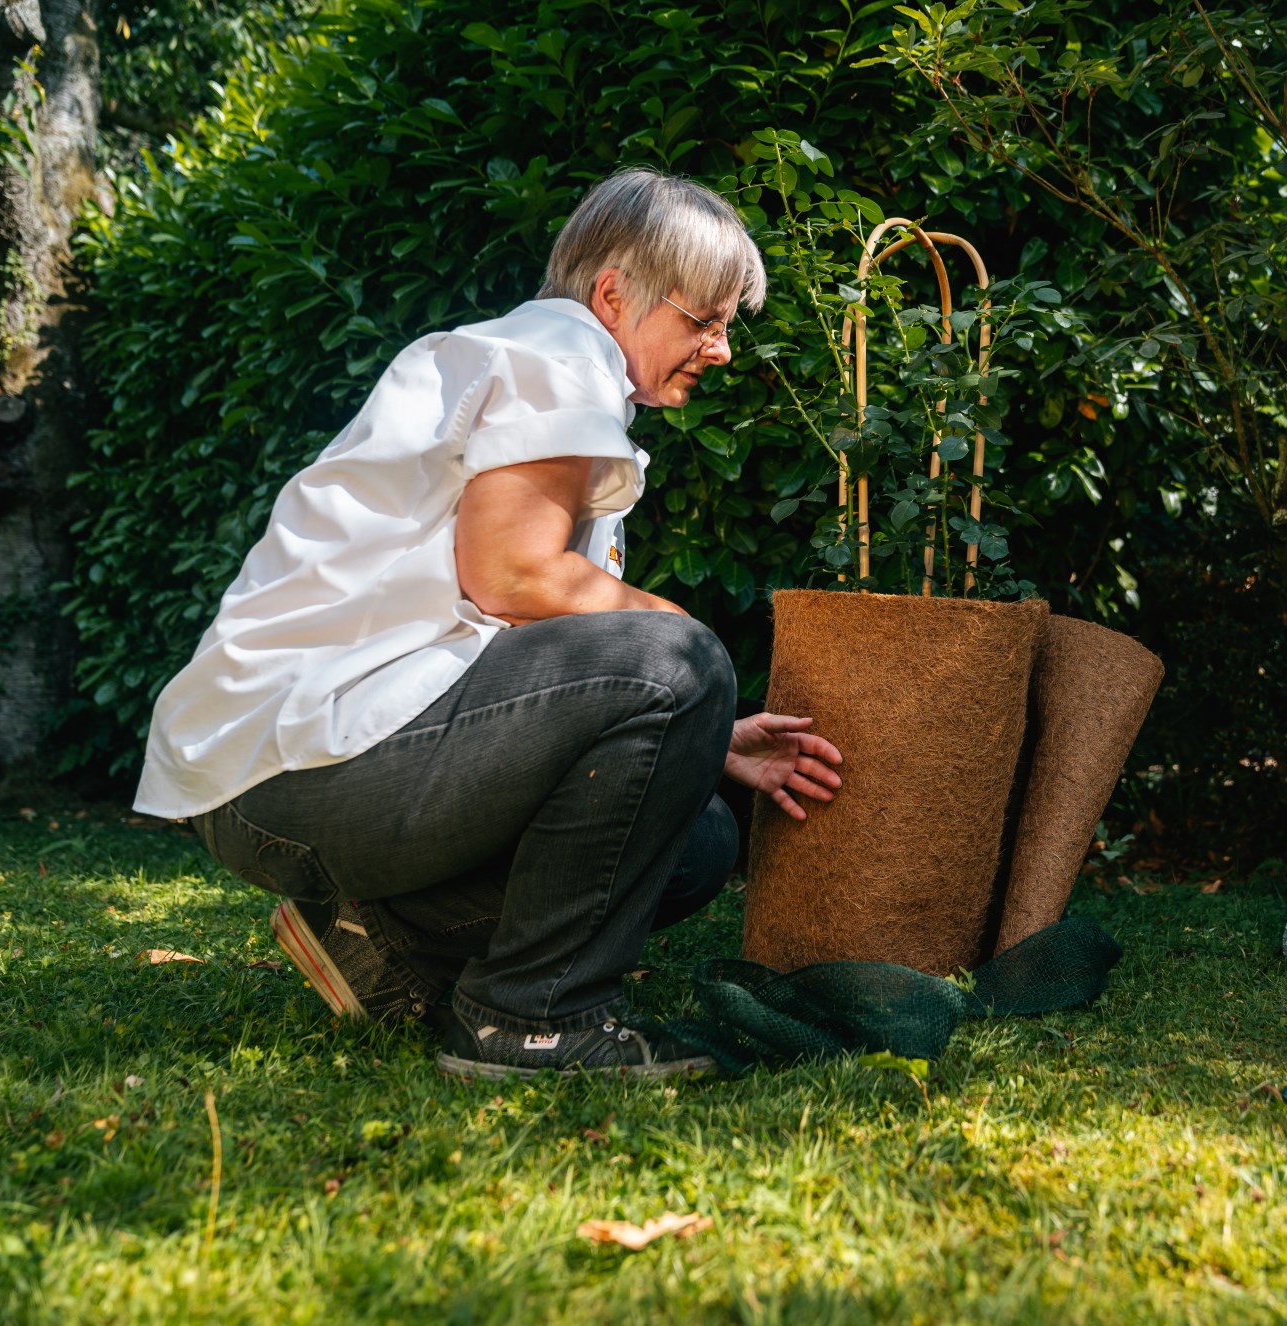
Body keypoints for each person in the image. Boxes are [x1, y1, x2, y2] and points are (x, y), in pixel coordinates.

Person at [134, 169, 843, 1081]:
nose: (720, 349)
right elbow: (512, 576)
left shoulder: (551, 369)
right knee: (677, 657)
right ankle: (530, 1022)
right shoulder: (560, 353)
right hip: (296, 764)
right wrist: (683, 671)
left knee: (697, 841)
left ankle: (382, 946)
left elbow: (515, 642)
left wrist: (697, 737)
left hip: (297, 770)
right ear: (614, 293)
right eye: (702, 320)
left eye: (725, 326)